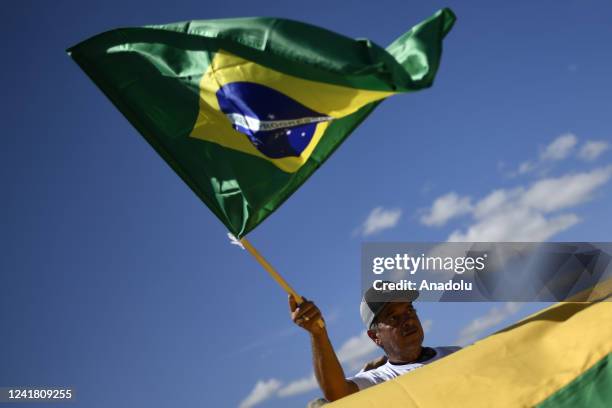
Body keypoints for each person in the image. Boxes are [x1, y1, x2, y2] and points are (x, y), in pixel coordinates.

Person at [289, 288, 460, 403]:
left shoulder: (456, 355)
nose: (407, 320)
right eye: (393, 317)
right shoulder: (379, 380)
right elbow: (337, 393)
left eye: (409, 310)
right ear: (375, 337)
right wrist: (318, 334)